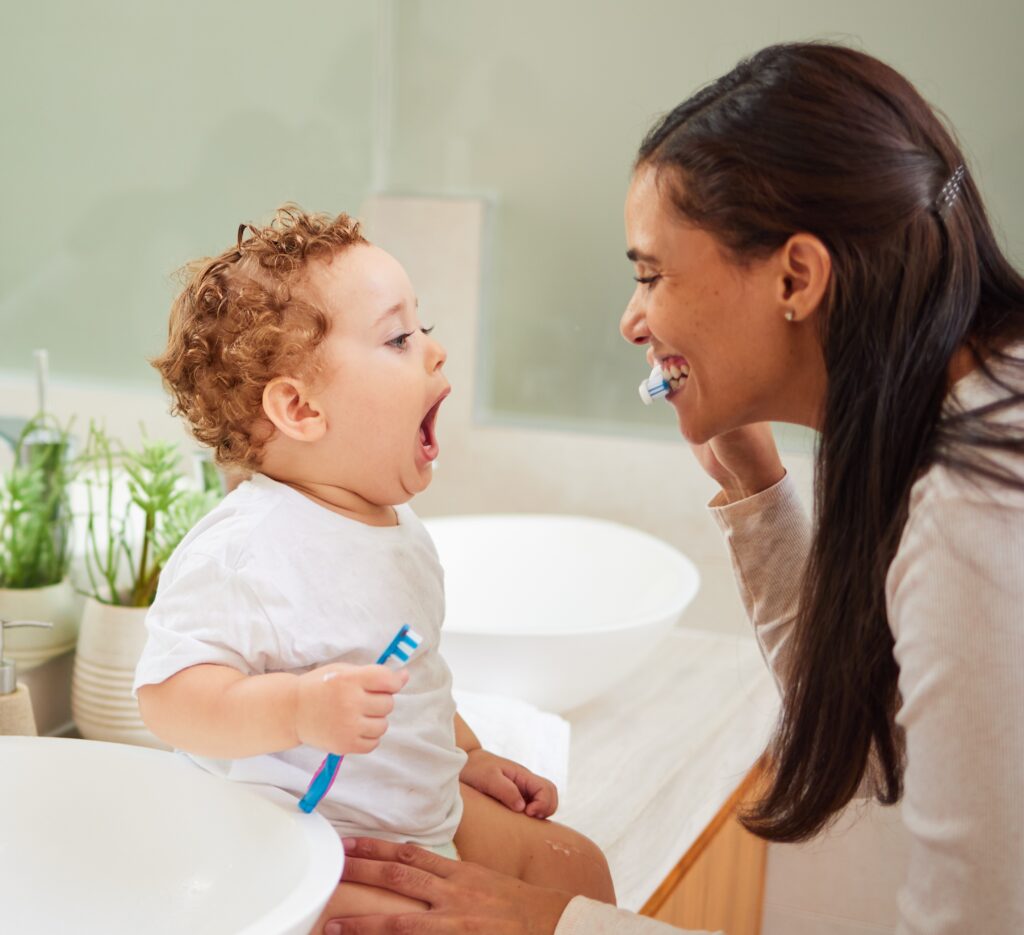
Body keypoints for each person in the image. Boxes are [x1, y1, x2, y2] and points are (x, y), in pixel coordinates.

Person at [321, 41, 1024, 935]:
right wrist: (756, 489)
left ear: (796, 277)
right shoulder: (948, 423)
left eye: (651, 273)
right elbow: (867, 722)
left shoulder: (984, 505)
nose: (631, 320)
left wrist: (557, 925)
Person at [133, 206, 615, 932]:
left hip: (422, 813)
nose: (435, 350)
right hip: (314, 847)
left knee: (581, 873)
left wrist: (470, 756)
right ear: (299, 408)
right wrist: (295, 707)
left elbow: (410, 670)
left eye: (423, 326)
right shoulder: (245, 548)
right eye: (398, 337)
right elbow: (169, 699)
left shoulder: (399, 530)